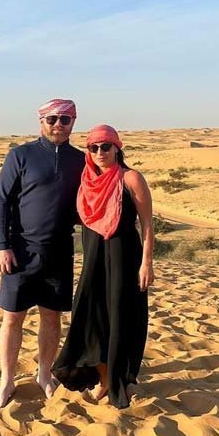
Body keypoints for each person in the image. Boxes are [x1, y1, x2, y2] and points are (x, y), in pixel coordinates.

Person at [0, 98, 85, 408]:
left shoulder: (81, 160)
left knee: (51, 317)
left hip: (59, 250)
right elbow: (2, 202)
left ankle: (44, 374)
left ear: (73, 122)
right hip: (20, 250)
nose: (59, 124)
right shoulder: (20, 155)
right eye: (53, 119)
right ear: (41, 121)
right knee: (12, 318)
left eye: (65, 119)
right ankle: (6, 381)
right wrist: (2, 246)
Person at [52, 124, 154, 408]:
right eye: (94, 147)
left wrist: (147, 263)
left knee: (120, 317)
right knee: (90, 316)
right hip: (93, 259)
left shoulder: (130, 178)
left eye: (106, 146)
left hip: (124, 258)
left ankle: (117, 380)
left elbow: (146, 224)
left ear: (117, 148)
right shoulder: (85, 179)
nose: (100, 152)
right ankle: (103, 375)